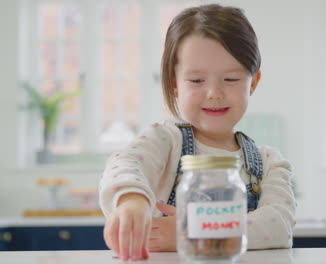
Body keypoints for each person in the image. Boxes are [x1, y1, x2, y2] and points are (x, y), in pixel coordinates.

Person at [99, 4, 296, 261]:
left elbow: (278, 226)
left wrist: (191, 231)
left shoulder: (270, 162)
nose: (214, 93)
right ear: (174, 84)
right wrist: (132, 199)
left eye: (231, 80)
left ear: (253, 82)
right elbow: (125, 163)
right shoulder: (165, 141)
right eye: (196, 80)